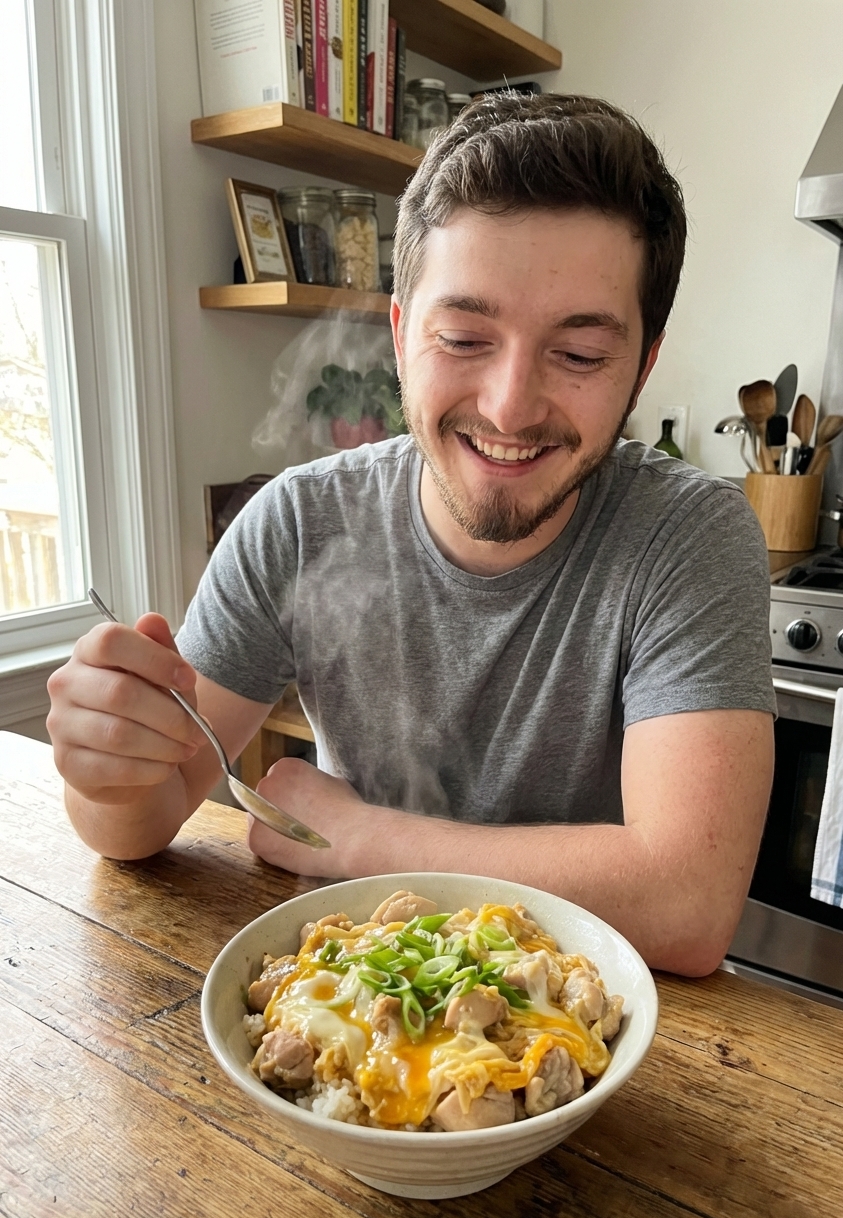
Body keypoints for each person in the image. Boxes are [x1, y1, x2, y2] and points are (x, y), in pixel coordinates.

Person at [47, 94, 775, 977]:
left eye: (579, 356)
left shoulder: (686, 535)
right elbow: (146, 817)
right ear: (400, 334)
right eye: (464, 337)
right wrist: (105, 769)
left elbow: (686, 905)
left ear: (640, 367)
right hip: (359, 1010)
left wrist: (359, 837)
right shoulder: (298, 520)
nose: (509, 406)